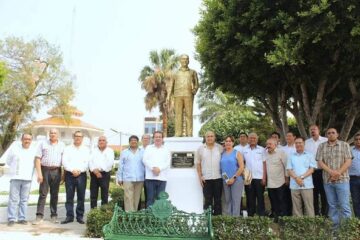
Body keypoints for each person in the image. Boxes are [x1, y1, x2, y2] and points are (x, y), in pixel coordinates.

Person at [317, 128, 352, 228]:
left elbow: (348, 161)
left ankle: (347, 230)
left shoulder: (344, 145)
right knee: (332, 206)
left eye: (333, 133)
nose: (331, 134)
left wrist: (338, 173)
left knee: (344, 205)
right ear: (326, 135)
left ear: (337, 134)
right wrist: (331, 172)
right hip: (328, 181)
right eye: (328, 133)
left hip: (343, 180)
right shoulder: (321, 146)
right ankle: (335, 230)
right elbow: (320, 162)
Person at [33, 128, 65, 225]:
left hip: (57, 170)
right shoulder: (42, 143)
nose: (53, 134)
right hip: (45, 170)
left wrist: (64, 174)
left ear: (58, 134)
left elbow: (65, 160)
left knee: (54, 194)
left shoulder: (62, 145)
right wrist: (39, 173)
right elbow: (37, 159)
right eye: (51, 133)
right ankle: (39, 216)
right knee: (43, 193)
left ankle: (54, 215)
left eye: (55, 133)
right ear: (49, 134)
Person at [6, 133, 36, 226]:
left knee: (24, 200)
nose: (27, 141)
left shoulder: (33, 150)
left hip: (27, 178)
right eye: (25, 139)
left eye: (29, 139)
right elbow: (8, 161)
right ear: (21, 139)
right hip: (15, 177)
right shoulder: (14, 149)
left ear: (31, 140)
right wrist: (15, 170)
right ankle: (11, 218)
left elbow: (35, 163)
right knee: (13, 199)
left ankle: (22, 218)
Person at [61, 131, 90, 224]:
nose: (78, 138)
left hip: (81, 175)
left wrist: (79, 171)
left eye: (80, 136)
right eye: (76, 136)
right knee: (69, 196)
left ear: (82, 138)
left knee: (81, 196)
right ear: (73, 137)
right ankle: (69, 216)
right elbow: (64, 162)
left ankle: (80, 216)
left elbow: (87, 162)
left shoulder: (86, 149)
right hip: (70, 174)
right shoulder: (67, 149)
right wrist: (72, 170)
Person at [169, 54, 199, 137]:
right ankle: (178, 133)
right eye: (183, 59)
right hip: (177, 95)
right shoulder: (175, 73)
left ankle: (189, 133)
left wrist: (194, 90)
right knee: (178, 115)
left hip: (188, 95)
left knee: (189, 115)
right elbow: (171, 85)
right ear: (180, 61)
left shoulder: (193, 72)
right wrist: (168, 97)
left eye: (186, 59)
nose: (184, 61)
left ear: (188, 61)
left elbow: (197, 84)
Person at [287, 137, 316, 216]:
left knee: (309, 207)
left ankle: (310, 227)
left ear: (304, 143)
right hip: (294, 185)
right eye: (296, 143)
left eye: (300, 142)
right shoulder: (291, 156)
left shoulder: (310, 155)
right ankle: (299, 226)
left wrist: (301, 177)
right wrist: (297, 178)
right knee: (296, 208)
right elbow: (289, 170)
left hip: (307, 185)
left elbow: (312, 169)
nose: (298, 144)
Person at [196, 131, 223, 215]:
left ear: (214, 137)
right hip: (206, 179)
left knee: (218, 200)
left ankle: (218, 220)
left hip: (218, 178)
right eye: (208, 136)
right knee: (208, 200)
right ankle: (208, 220)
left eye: (211, 136)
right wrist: (200, 177)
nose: (210, 138)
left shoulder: (220, 148)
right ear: (205, 138)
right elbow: (198, 163)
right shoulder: (200, 149)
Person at [143, 131, 171, 207]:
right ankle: (150, 217)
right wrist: (153, 168)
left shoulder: (166, 149)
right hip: (150, 178)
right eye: (156, 137)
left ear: (162, 139)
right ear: (153, 138)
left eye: (159, 137)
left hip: (162, 178)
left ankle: (159, 218)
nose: (158, 138)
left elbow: (168, 162)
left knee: (160, 199)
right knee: (150, 199)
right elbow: (145, 160)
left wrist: (159, 169)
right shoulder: (148, 148)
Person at [305, 125, 328, 216]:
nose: (312, 131)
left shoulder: (325, 140)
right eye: (311, 130)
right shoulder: (306, 142)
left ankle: (325, 213)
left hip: (324, 171)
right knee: (313, 193)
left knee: (324, 193)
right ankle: (316, 213)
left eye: (314, 129)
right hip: (312, 172)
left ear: (319, 130)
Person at [117, 135, 145, 211]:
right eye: (132, 140)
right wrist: (120, 178)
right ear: (129, 142)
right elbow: (120, 166)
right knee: (128, 197)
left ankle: (134, 214)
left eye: (135, 140)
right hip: (127, 178)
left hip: (140, 178)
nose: (133, 141)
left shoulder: (143, 152)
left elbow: (146, 164)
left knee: (136, 198)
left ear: (138, 142)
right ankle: (129, 215)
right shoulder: (124, 152)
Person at [263, 138, 288, 219]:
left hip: (280, 181)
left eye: (270, 144)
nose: (268, 146)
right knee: (273, 201)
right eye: (267, 144)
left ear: (275, 145)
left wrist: (287, 178)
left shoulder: (281, 152)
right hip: (270, 183)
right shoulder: (265, 153)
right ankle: (276, 216)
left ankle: (283, 217)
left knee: (282, 201)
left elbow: (286, 166)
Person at [242, 133, 266, 216]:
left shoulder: (262, 150)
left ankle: (261, 216)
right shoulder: (244, 150)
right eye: (251, 138)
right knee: (249, 198)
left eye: (254, 138)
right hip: (248, 178)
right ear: (248, 139)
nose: (252, 139)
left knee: (260, 197)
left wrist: (264, 178)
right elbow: (242, 163)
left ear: (257, 139)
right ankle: (250, 215)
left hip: (259, 177)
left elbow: (264, 164)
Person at [220, 135, 244, 216]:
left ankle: (236, 222)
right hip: (226, 181)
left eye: (230, 141)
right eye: (226, 141)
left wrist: (233, 178)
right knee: (227, 201)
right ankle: (229, 220)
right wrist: (227, 180)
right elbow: (222, 168)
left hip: (236, 180)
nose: (228, 143)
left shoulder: (237, 153)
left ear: (233, 143)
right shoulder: (222, 153)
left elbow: (241, 167)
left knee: (236, 201)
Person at [89, 136, 114, 209]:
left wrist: (100, 170)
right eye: (100, 140)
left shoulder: (110, 151)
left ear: (106, 142)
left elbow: (110, 163)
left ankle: (104, 213)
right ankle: (93, 212)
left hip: (105, 174)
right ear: (98, 142)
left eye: (103, 140)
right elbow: (90, 162)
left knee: (104, 195)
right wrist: (95, 171)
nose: (101, 142)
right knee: (93, 195)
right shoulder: (94, 150)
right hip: (94, 174)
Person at [350, 133, 360, 218]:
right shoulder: (350, 151)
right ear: (354, 141)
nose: (358, 141)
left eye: (359, 139)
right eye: (356, 139)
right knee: (356, 201)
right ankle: (358, 222)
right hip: (353, 179)